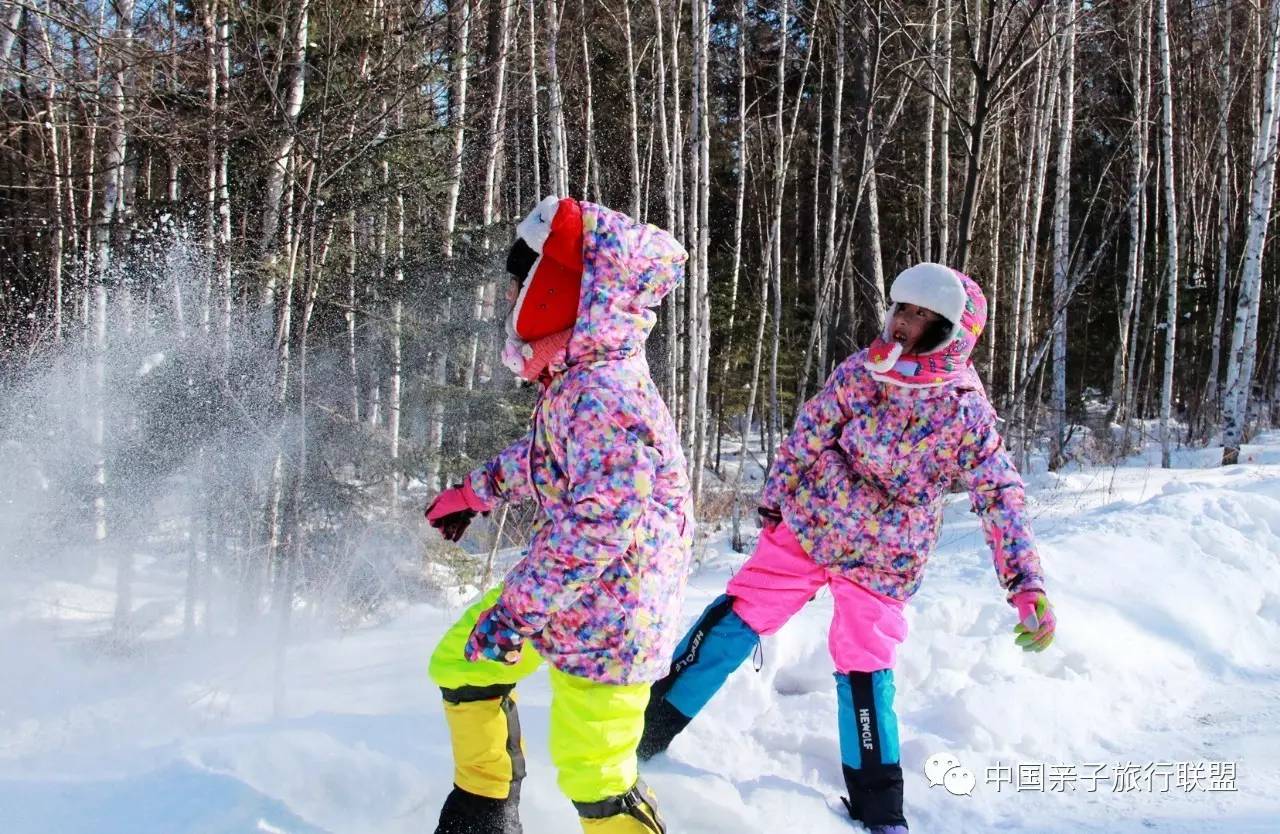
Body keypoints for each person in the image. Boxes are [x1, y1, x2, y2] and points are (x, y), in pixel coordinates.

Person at [637, 263, 1056, 834]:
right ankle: (645, 733)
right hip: (813, 523)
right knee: (738, 618)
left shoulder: (966, 411)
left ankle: (879, 806)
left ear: (952, 333)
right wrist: (777, 497)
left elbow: (1000, 492)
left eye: (923, 317)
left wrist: (1024, 581)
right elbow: (811, 428)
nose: (905, 324)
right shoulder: (865, 371)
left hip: (886, 554)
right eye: (901, 310)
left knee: (864, 660)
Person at [423, 196, 693, 834]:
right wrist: (474, 492)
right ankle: (483, 810)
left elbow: (600, 523)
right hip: (569, 597)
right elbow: (548, 461)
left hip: (616, 617)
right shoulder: (579, 380)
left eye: (522, 280)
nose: (513, 296)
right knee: (462, 662)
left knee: (594, 775)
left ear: (560, 287)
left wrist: (516, 612)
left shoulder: (604, 391)